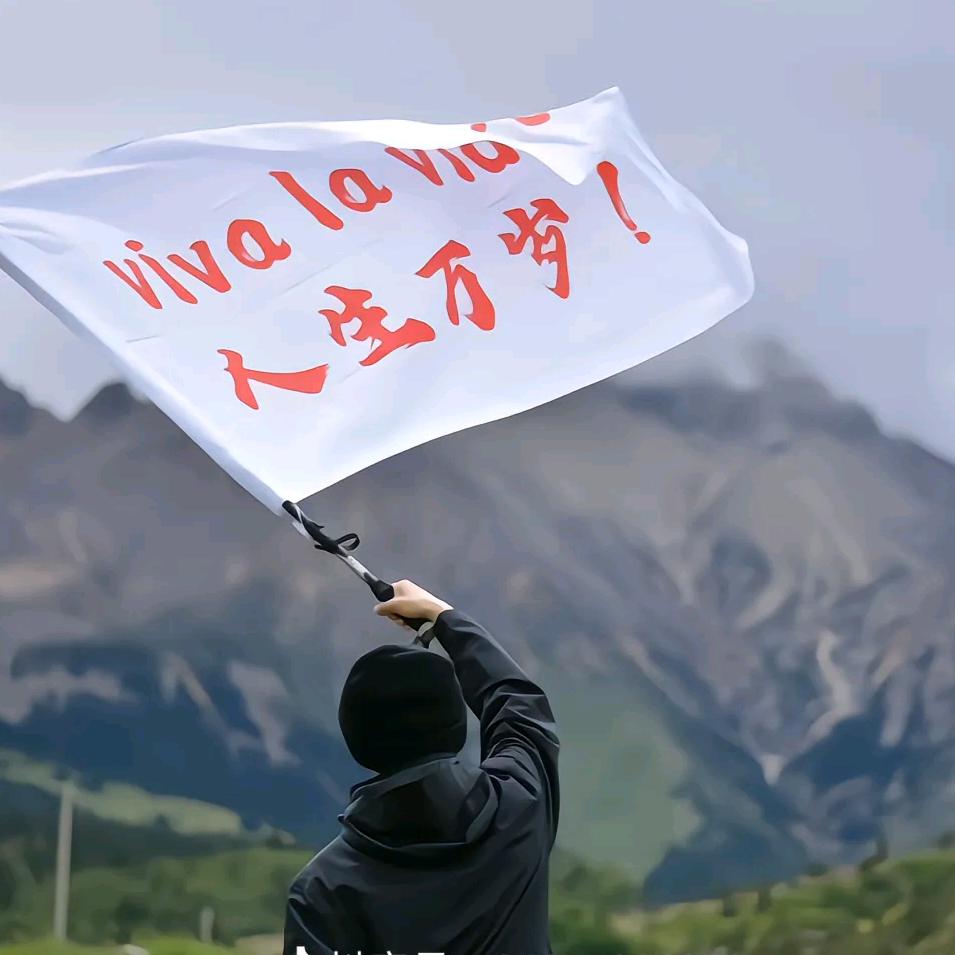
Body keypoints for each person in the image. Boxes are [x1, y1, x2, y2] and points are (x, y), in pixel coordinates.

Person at [284, 579, 560, 955]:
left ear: (357, 739)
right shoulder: (520, 806)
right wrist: (442, 616)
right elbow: (517, 703)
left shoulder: (322, 891)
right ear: (455, 725)